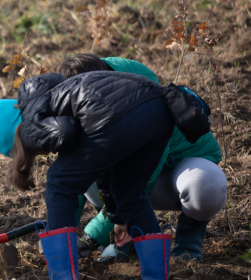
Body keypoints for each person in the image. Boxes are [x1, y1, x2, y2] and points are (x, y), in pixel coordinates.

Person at [0, 71, 176, 280]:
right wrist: (117, 217)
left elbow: (64, 132)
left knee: (59, 182)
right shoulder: (56, 100)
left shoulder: (30, 119)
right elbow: (102, 169)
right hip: (159, 110)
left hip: (119, 114)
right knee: (129, 192)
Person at [57, 54, 227, 262]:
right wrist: (63, 230)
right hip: (134, 178)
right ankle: (124, 238)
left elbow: (144, 170)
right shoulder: (87, 99)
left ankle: (188, 240)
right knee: (86, 163)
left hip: (181, 168)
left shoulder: (141, 99)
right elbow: (73, 173)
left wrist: (108, 226)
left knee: (207, 185)